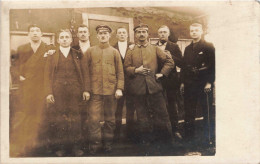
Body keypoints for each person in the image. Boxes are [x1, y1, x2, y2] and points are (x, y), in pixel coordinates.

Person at [124, 23, 175, 148]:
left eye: (144, 31)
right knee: (142, 117)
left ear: (148, 34)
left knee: (162, 114)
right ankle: (147, 143)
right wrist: (136, 70)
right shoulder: (131, 50)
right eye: (139, 32)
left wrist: (161, 74)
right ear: (135, 35)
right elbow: (126, 68)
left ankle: (168, 142)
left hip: (155, 87)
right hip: (138, 89)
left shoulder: (155, 48)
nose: (141, 34)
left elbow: (170, 62)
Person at [10, 24, 54, 157]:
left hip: (42, 88)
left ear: (41, 34)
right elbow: (13, 67)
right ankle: (26, 147)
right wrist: (19, 76)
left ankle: (42, 147)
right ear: (28, 34)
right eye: (32, 31)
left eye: (37, 31)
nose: (35, 33)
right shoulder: (21, 49)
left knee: (42, 117)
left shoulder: (49, 48)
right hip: (27, 88)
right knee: (26, 117)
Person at [44, 29, 88, 157]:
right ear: (58, 40)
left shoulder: (78, 54)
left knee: (76, 118)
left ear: (70, 40)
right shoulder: (52, 56)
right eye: (61, 37)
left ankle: (76, 147)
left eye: (66, 37)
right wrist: (48, 92)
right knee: (60, 119)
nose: (64, 39)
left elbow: (85, 73)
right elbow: (46, 76)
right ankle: (61, 147)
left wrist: (86, 90)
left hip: (75, 91)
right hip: (58, 92)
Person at [82, 25, 124, 154]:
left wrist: (119, 88)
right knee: (94, 119)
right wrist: (87, 90)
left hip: (111, 92)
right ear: (97, 36)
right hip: (95, 92)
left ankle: (108, 145)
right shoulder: (90, 51)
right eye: (100, 33)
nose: (103, 35)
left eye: (106, 33)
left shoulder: (114, 52)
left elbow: (120, 72)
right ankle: (95, 145)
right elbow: (85, 72)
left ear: (109, 35)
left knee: (110, 120)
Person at [180, 23, 215, 147]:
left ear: (201, 31)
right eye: (192, 30)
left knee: (207, 112)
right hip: (190, 84)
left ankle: (208, 139)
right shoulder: (188, 48)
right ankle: (189, 139)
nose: (194, 32)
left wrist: (209, 82)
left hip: (204, 84)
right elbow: (184, 67)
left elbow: (213, 65)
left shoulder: (208, 46)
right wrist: (183, 83)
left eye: (196, 30)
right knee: (189, 112)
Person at [156, 25, 183, 140]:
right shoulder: (153, 47)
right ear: (158, 34)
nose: (162, 34)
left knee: (172, 106)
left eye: (164, 32)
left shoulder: (174, 46)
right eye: (160, 32)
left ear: (168, 34)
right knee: (159, 106)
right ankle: (162, 131)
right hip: (158, 80)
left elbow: (181, 63)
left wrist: (171, 56)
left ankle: (175, 130)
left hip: (171, 81)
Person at [112, 27, 135, 142]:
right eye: (119, 33)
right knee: (118, 109)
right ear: (116, 35)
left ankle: (131, 133)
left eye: (123, 33)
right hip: (118, 83)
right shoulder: (112, 48)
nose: (121, 34)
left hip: (131, 82)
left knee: (131, 108)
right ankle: (117, 134)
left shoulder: (133, 46)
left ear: (127, 35)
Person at [72, 24, 91, 151]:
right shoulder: (72, 48)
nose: (83, 34)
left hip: (93, 85)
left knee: (92, 115)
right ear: (77, 35)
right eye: (80, 32)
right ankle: (81, 142)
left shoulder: (95, 48)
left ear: (89, 34)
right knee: (81, 115)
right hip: (79, 87)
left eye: (85, 31)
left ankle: (91, 141)